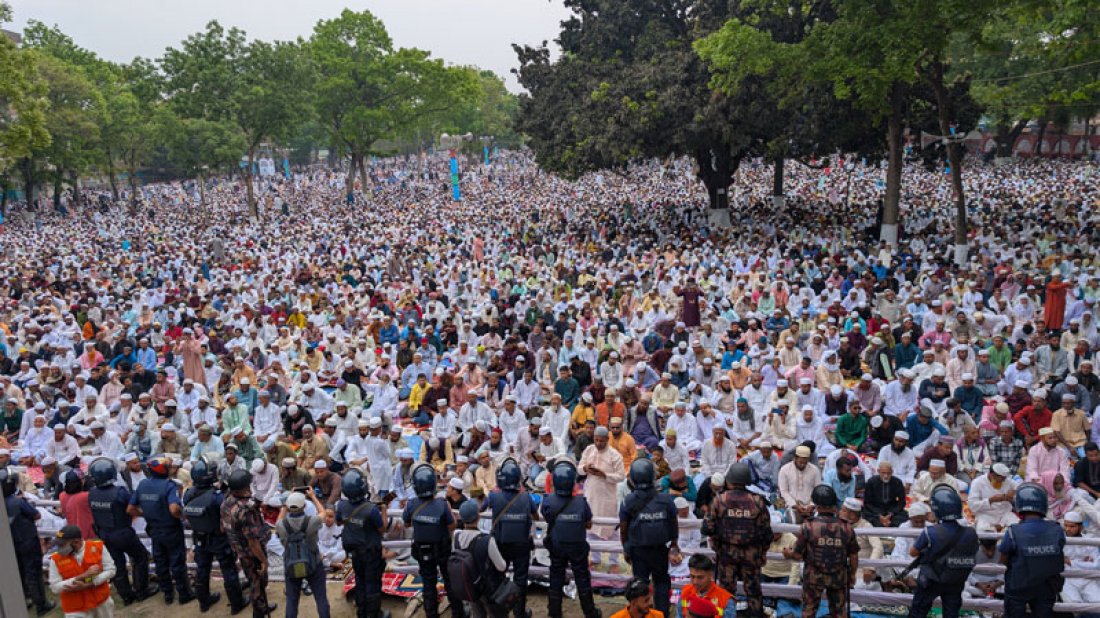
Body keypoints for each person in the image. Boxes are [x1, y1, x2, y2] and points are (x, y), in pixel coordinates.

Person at [702, 462, 770, 618]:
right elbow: (767, 533)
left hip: (726, 553)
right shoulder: (758, 501)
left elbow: (707, 528)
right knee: (753, 590)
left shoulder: (720, 500)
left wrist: (716, 542)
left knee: (725, 591)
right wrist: (762, 553)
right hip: (751, 554)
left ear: (729, 480)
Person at [181, 457, 247, 614]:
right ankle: (237, 604)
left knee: (202, 570)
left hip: (200, 538)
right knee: (229, 570)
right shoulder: (217, 496)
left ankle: (203, 602)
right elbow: (227, 513)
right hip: (219, 538)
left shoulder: (188, 494)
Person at [87, 458, 156, 606]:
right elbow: (133, 505)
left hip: (104, 533)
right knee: (141, 557)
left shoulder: (92, 493)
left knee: (117, 564)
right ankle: (141, 591)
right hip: (122, 532)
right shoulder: (119, 492)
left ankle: (126, 596)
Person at [126, 456, 195, 604]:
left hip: (154, 529)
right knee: (177, 562)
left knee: (161, 562)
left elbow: (130, 509)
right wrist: (181, 517)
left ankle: (168, 594)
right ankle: (184, 594)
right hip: (171, 529)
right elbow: (174, 508)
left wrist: (146, 514)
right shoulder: (169, 486)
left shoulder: (143, 484)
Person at [783, 484, 859, 618]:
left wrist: (788, 553)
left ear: (816, 505)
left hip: (813, 577)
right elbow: (853, 555)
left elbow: (798, 554)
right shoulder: (846, 527)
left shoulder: (808, 526)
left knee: (809, 611)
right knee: (839, 613)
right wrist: (852, 574)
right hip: (839, 576)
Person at [540, 458, 600, 618]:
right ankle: (590, 612)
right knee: (582, 579)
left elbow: (546, 518)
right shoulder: (581, 502)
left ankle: (554, 612)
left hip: (557, 545)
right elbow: (588, 524)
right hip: (577, 546)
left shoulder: (547, 501)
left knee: (556, 578)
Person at [619, 458, 679, 618]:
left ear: (632, 478)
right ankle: (662, 614)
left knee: (640, 586)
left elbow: (623, 529)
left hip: (638, 551)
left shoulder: (628, 501)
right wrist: (674, 544)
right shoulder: (665, 500)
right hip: (660, 549)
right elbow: (673, 524)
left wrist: (626, 549)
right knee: (661, 584)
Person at [906, 487, 979, 618]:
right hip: (955, 579)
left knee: (918, 611)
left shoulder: (931, 532)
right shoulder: (970, 532)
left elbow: (913, 553)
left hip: (931, 579)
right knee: (951, 613)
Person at [403, 463, 464, 618]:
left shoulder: (411, 504)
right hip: (442, 549)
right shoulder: (442, 504)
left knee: (428, 584)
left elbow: (406, 523)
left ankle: (431, 614)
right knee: (449, 581)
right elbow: (452, 526)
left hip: (423, 551)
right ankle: (458, 613)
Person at [998, 482, 1066, 618]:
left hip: (1019, 586)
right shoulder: (1057, 529)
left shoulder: (1013, 531)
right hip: (1046, 587)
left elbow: (1002, 561)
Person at [484, 456, 538, 618]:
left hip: (500, 544)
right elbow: (536, 516)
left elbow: (480, 507)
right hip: (522, 545)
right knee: (521, 580)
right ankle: (519, 613)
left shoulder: (494, 496)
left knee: (498, 578)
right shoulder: (526, 497)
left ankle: (501, 612)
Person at [221, 469, 276, 618]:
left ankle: (262, 606)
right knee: (258, 584)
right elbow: (253, 542)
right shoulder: (245, 511)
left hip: (239, 550)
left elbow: (223, 527)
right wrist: (263, 561)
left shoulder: (227, 502)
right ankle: (259, 612)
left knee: (253, 581)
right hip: (252, 554)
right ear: (244, 488)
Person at [336, 468, 389, 618]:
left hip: (353, 552)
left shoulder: (341, 505)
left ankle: (362, 612)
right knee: (372, 583)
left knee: (359, 579)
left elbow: (339, 522)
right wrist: (383, 511)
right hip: (370, 553)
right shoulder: (371, 510)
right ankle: (373, 614)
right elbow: (382, 529)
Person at [3, 469, 57, 615]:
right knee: (33, 572)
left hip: (12, 544)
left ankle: (26, 599)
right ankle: (41, 604)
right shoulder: (18, 502)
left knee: (20, 572)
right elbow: (37, 515)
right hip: (27, 541)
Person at [277, 490, 330, 618]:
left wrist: (286, 503)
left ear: (288, 507)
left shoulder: (281, 525)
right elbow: (323, 513)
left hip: (291, 565)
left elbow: (279, 519)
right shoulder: (312, 521)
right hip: (313, 563)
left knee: (292, 601)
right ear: (304, 506)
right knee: (321, 598)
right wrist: (313, 496)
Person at [452, 500, 509, 618]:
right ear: (478, 516)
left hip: (469, 586)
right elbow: (501, 566)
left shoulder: (456, 536)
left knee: (477, 614)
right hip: (488, 588)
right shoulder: (486, 540)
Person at [47, 524, 116, 618]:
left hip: (101, 602)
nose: (59, 549)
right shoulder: (55, 559)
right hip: (75, 608)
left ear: (76, 541)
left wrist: (90, 583)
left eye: (62, 545)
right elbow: (55, 587)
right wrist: (81, 576)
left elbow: (111, 570)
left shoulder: (98, 547)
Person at [675, 554, 736, 618]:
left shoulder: (725, 600)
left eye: (700, 577)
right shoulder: (685, 592)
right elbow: (679, 615)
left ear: (711, 574)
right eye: (692, 576)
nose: (695, 582)